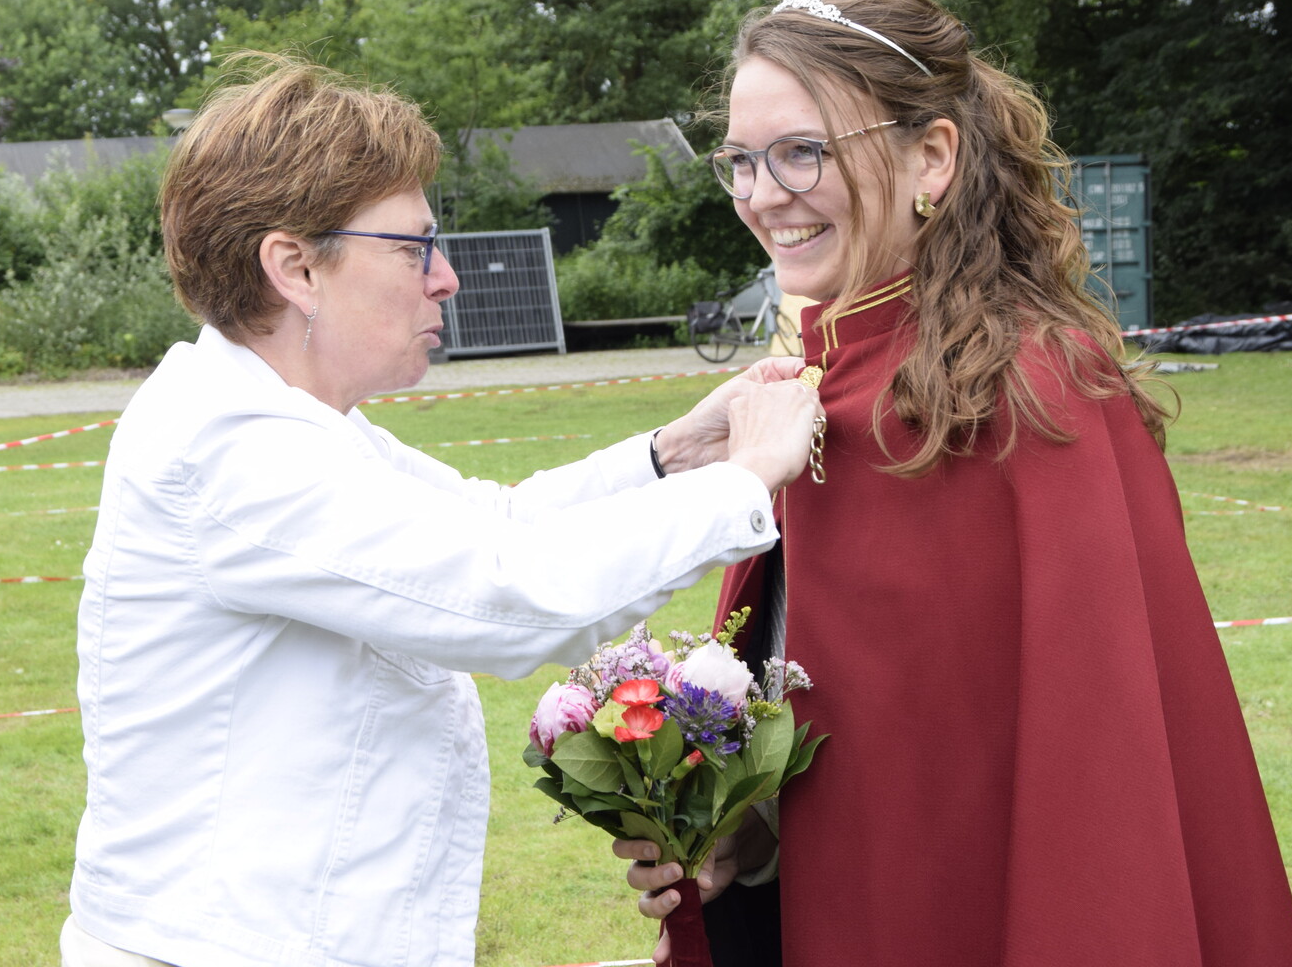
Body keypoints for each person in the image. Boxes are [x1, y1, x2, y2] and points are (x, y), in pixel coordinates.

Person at [60, 56, 821, 967]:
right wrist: (746, 480)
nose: (447, 277)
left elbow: (492, 523)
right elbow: (508, 593)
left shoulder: (291, 423)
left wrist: (674, 454)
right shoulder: (229, 445)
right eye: (413, 247)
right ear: (295, 267)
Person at [614, 0, 1292, 965]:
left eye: (803, 151)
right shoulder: (805, 390)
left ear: (931, 156)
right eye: (741, 161)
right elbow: (861, 734)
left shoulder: (1040, 389)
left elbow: (1102, 785)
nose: (763, 196)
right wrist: (751, 838)